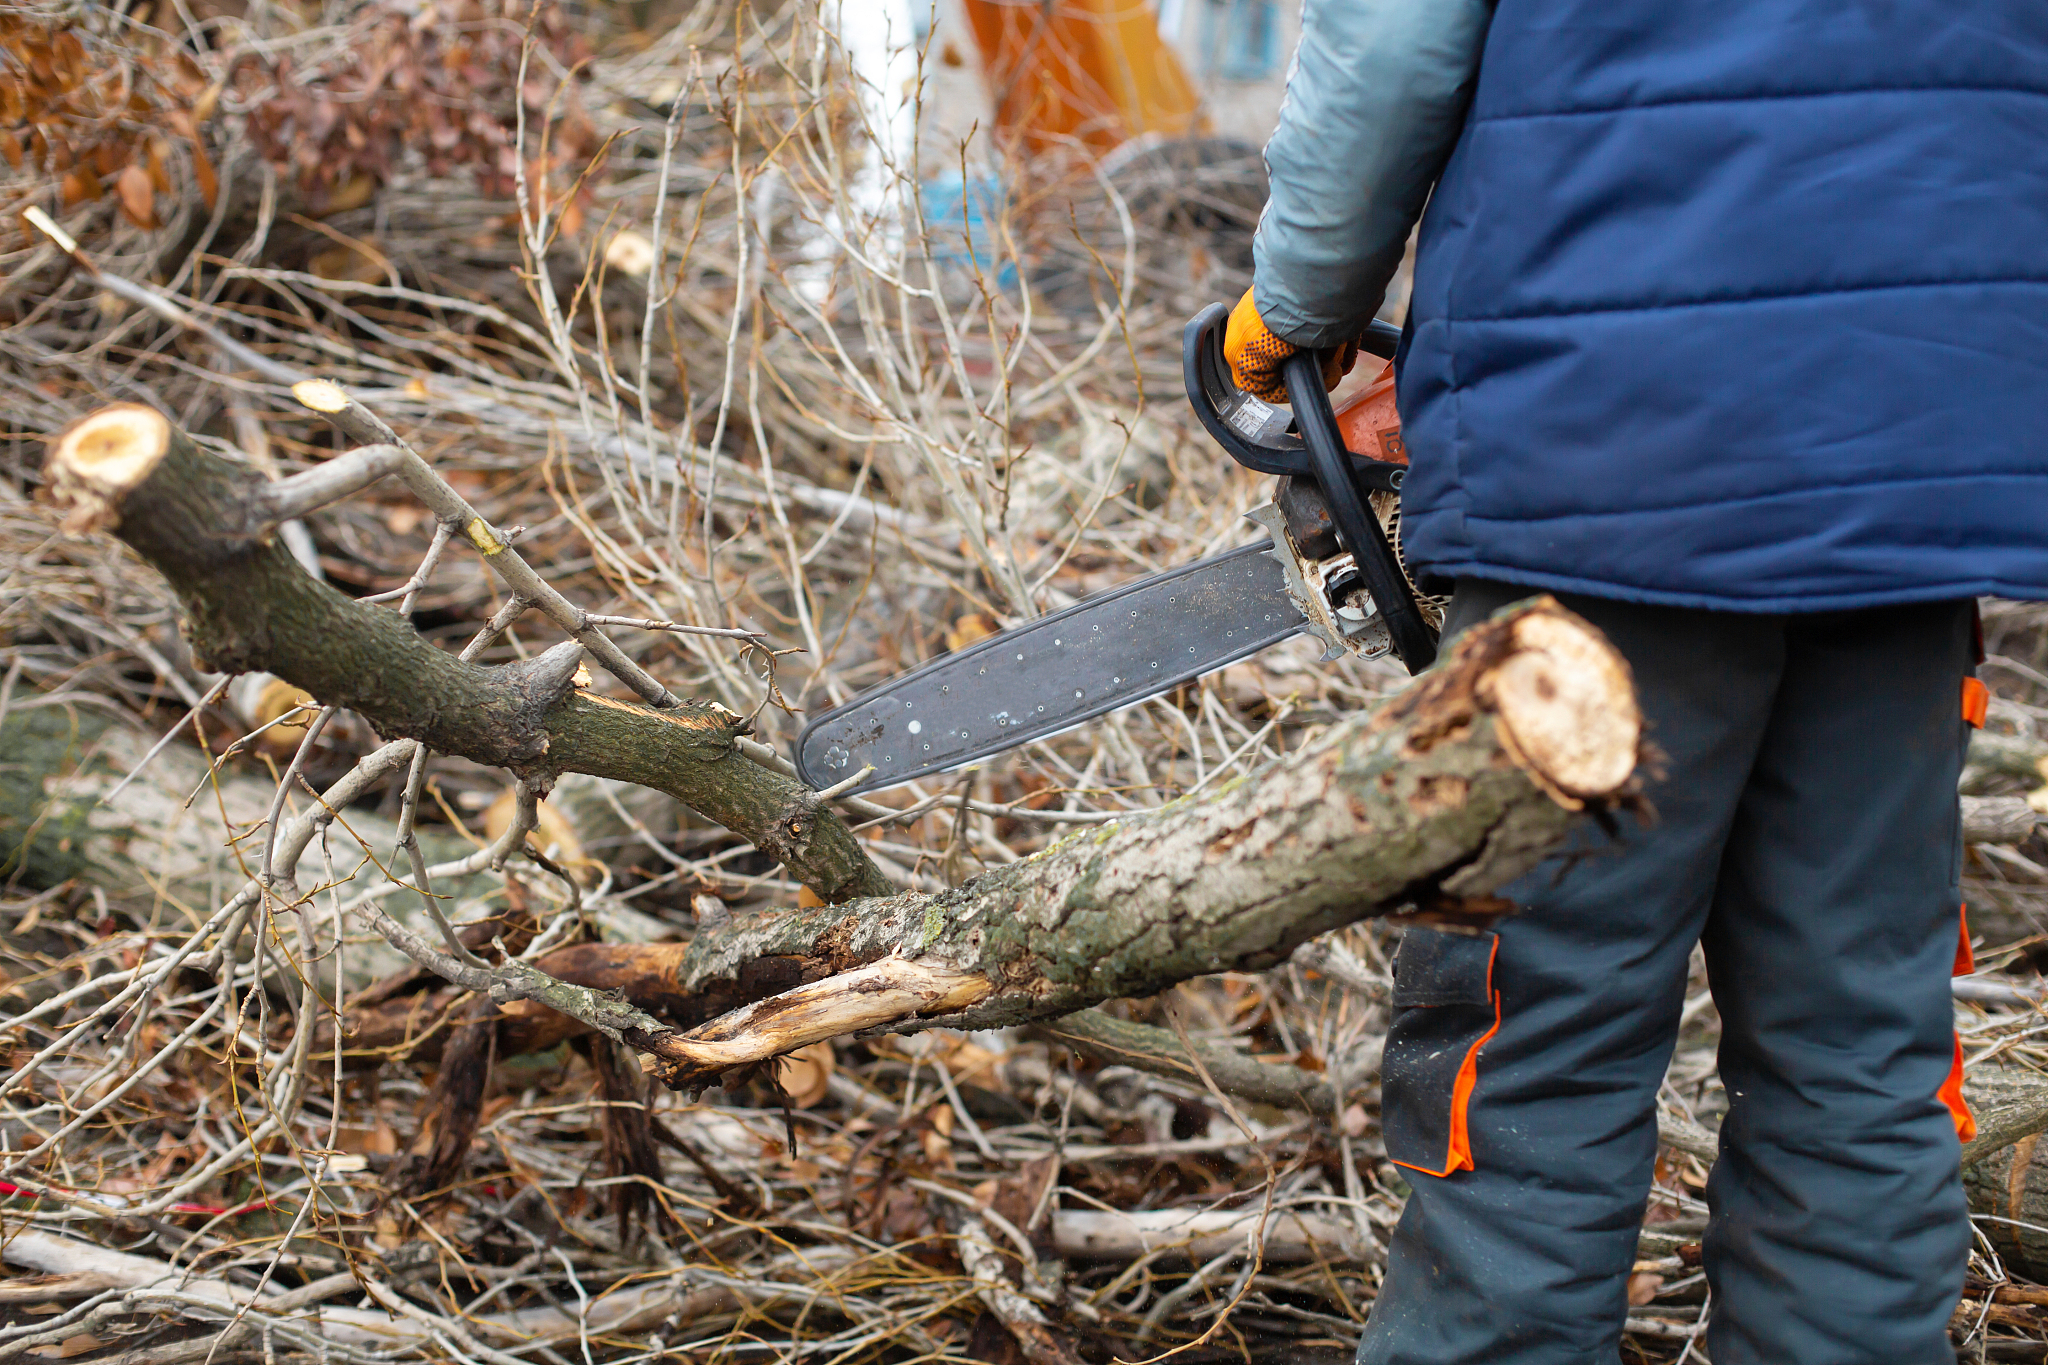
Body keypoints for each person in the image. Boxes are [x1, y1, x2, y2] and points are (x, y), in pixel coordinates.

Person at [1221, 1, 2048, 1360]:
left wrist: (1302, 299)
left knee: (1534, 1034)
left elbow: (1397, 42)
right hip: (1920, 456)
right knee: (1859, 1041)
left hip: (1607, 457)